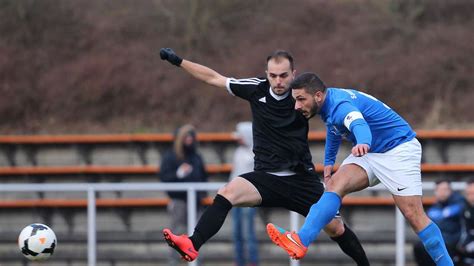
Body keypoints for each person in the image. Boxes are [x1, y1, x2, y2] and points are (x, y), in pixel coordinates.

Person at [159, 48, 369, 265]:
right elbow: (214, 78)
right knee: (227, 192)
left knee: (336, 228)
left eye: (284, 75)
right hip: (265, 178)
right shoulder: (255, 89)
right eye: (273, 75)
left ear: (293, 74)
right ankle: (193, 244)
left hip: (301, 179)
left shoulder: (302, 95)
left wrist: (358, 136)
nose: (278, 81)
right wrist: (179, 61)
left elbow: (333, 113)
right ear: (267, 73)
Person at [266, 72, 454, 265]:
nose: (297, 106)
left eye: (300, 99)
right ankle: (300, 240)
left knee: (413, 215)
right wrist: (329, 162)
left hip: (398, 149)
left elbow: (357, 122)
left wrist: (363, 141)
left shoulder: (340, 106)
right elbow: (333, 128)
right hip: (371, 151)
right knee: (334, 186)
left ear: (318, 96)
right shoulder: (328, 103)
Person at [159, 124, 208, 266]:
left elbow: (203, 176)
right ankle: (173, 262)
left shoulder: (197, 157)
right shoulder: (170, 157)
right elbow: (164, 177)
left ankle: (196, 261)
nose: (189, 139)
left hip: (196, 202)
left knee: (197, 234)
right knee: (175, 233)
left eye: (191, 136)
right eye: (186, 136)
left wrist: (201, 194)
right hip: (179, 201)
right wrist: (178, 174)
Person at [413, 179, 464, 265]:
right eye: (439, 190)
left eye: (445, 190)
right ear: (435, 192)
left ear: (450, 191)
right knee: (419, 247)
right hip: (438, 239)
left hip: (453, 241)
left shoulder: (460, 204)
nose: (442, 193)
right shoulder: (433, 208)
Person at [230, 121, 259, 266]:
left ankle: (252, 261)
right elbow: (234, 175)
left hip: (248, 199)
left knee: (248, 233)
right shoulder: (239, 152)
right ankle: (239, 261)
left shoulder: (255, 154)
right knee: (237, 233)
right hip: (236, 199)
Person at [458, 179, 474, 265]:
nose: (471, 197)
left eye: (473, 193)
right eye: (468, 194)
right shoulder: (464, 208)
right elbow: (465, 230)